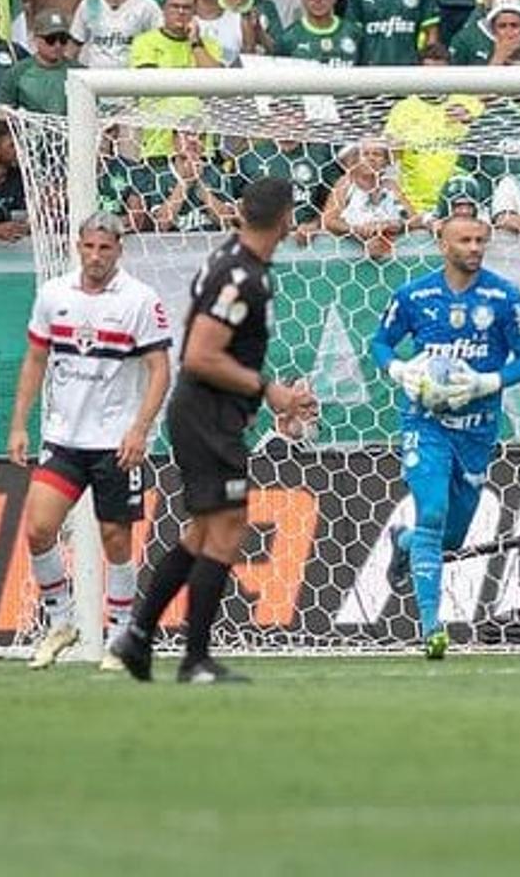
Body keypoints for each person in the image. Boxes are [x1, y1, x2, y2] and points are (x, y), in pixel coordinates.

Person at [111, 178, 318, 684]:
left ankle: (137, 636)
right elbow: (200, 355)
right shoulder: (240, 274)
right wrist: (268, 390)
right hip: (207, 416)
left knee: (204, 532)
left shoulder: (231, 260)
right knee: (226, 532)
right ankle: (194, 659)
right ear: (287, 217)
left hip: (210, 414)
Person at [371, 211, 520, 660]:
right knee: (433, 511)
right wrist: (399, 368)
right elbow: (380, 342)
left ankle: (404, 544)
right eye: (465, 240)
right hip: (424, 422)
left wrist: (487, 383)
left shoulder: (504, 298)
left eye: (481, 240)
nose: (474, 248)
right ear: (442, 245)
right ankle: (432, 629)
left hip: (477, 430)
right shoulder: (415, 295)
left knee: (450, 538)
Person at [9, 214, 173, 671]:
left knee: (114, 537)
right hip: (63, 438)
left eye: (105, 248)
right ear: (77, 247)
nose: (96, 256)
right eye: (88, 247)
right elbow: (35, 358)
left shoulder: (140, 299)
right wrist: (19, 424)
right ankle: (61, 621)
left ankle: (121, 632)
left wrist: (140, 428)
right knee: (39, 529)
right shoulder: (53, 295)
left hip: (116, 441)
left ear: (119, 249)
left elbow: (160, 369)